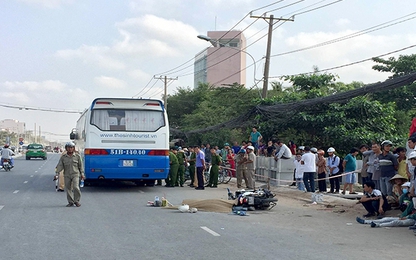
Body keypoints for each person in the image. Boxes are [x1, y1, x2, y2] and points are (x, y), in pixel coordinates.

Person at [54, 142, 84, 207]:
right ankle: (70, 202)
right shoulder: (63, 157)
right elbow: (60, 166)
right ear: (66, 148)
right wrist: (57, 174)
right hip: (67, 175)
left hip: (75, 174)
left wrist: (82, 174)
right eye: (68, 147)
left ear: (73, 148)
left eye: (71, 147)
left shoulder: (77, 156)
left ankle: (76, 201)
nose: (70, 149)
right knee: (68, 188)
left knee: (76, 187)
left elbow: (80, 166)